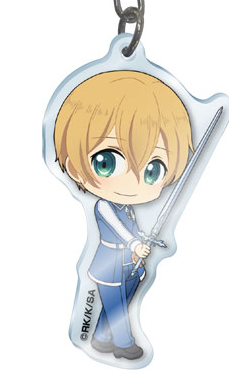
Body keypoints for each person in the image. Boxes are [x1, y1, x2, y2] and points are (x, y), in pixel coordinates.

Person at [54, 70, 192, 360]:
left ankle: (102, 338)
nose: (132, 182)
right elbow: (118, 228)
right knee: (118, 306)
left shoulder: (127, 206)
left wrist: (141, 241)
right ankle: (125, 344)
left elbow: (130, 227)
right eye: (106, 162)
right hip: (109, 264)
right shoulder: (104, 206)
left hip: (129, 262)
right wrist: (135, 243)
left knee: (122, 301)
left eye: (152, 170)